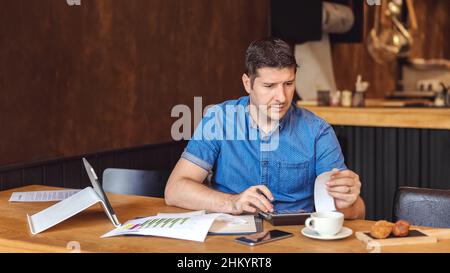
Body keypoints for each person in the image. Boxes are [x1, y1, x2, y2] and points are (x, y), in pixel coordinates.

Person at [165, 37, 365, 219]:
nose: (282, 97)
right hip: (231, 239)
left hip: (298, 241)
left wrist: (348, 200)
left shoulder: (317, 131)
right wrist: (232, 202)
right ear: (247, 84)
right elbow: (175, 190)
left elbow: (357, 212)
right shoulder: (219, 120)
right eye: (269, 86)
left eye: (288, 83)